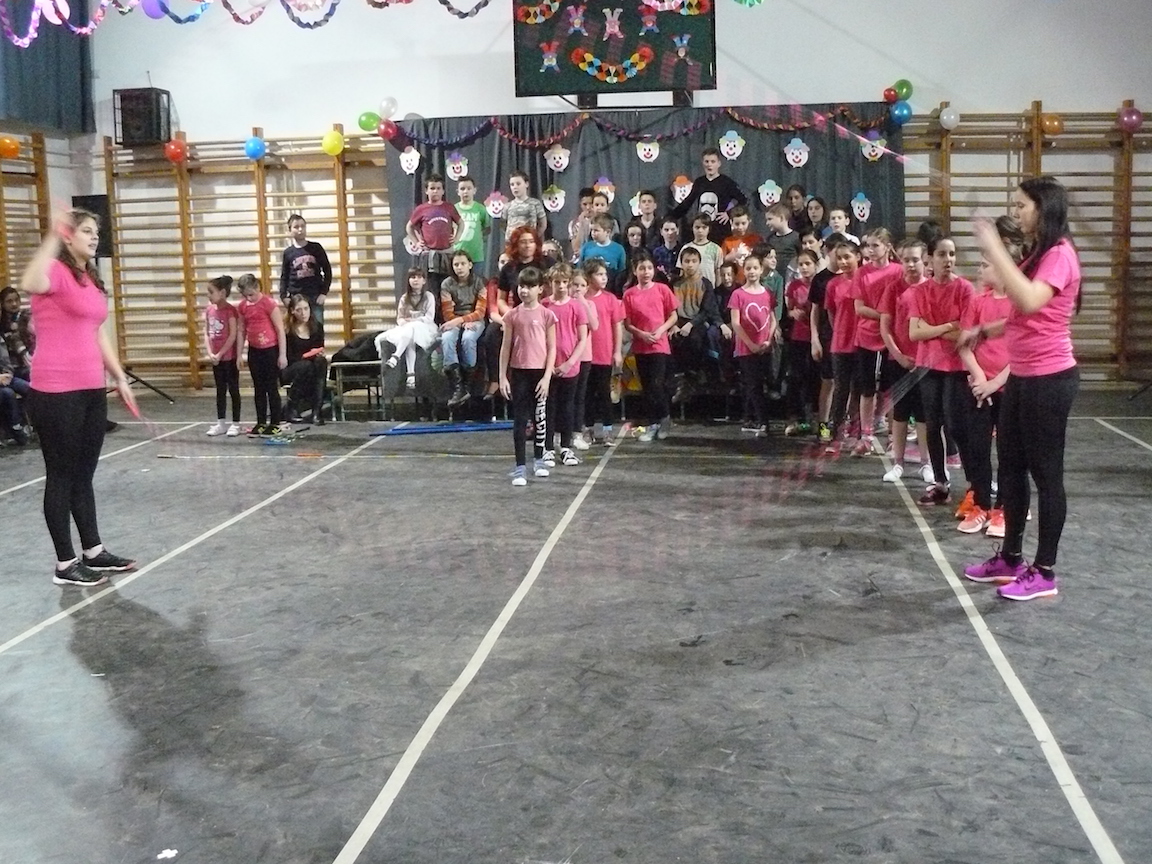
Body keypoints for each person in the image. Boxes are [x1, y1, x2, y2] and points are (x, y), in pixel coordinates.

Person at [962, 178, 1082, 600]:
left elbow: (1031, 299)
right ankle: (1010, 558)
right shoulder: (1038, 253)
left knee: (1046, 476)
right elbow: (1025, 312)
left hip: (1049, 380)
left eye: (1021, 206)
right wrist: (989, 329)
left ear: (1043, 209)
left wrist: (992, 244)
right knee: (1010, 469)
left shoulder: (1060, 254)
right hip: (1023, 378)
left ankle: (1044, 571)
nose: (1015, 213)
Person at [20, 208, 138, 586]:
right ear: (69, 236)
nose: (94, 237)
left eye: (95, 232)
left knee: (83, 475)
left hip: (90, 388)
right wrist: (53, 236)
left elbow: (97, 331)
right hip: (56, 391)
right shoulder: (54, 271)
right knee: (61, 475)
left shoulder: (89, 278)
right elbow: (28, 280)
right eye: (86, 231)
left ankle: (93, 551)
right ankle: (64, 564)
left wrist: (119, 377)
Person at [955, 234, 1018, 534]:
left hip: (1008, 387)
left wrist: (995, 383)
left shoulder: (1018, 304)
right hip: (980, 388)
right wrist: (980, 379)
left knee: (1009, 451)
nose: (980, 270)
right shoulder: (977, 301)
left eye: (985, 265)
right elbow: (964, 344)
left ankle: (1004, 508)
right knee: (977, 447)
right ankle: (980, 504)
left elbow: (1021, 351)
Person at [908, 235, 976, 506]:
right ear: (930, 259)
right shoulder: (920, 291)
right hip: (928, 365)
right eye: (942, 254)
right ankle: (940, 483)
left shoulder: (965, 289)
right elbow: (914, 333)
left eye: (952, 254)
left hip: (956, 367)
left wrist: (931, 330)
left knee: (956, 426)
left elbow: (965, 335)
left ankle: (973, 484)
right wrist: (948, 326)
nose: (948, 260)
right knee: (932, 424)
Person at [481, 228, 555, 397]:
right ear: (516, 244)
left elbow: (555, 291)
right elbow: (501, 300)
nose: (527, 245)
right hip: (518, 314)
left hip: (544, 313)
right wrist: (511, 317)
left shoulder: (547, 263)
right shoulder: (509, 268)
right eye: (523, 242)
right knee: (491, 334)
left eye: (531, 241)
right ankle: (496, 380)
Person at [499, 267, 556, 486]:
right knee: (521, 419)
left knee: (540, 418)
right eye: (522, 286)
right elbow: (505, 348)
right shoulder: (512, 315)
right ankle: (520, 466)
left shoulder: (547, 315)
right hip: (519, 372)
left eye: (530, 286)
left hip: (539, 373)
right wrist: (503, 377)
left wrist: (547, 377)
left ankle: (539, 459)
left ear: (540, 289)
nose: (525, 290)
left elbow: (552, 348)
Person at [879, 240, 930, 483]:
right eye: (906, 260)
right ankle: (898, 463)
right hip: (898, 361)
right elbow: (885, 327)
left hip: (926, 363)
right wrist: (898, 355)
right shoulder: (893, 288)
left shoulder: (931, 288)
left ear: (925, 260)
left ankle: (927, 463)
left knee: (925, 416)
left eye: (915, 259)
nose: (910, 264)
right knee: (899, 414)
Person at [851, 228, 902, 457]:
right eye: (868, 246)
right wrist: (883, 316)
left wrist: (889, 321)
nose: (870, 250)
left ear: (887, 247)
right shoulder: (861, 273)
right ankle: (866, 436)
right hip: (867, 336)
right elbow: (859, 308)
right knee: (867, 388)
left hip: (892, 337)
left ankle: (893, 436)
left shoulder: (899, 271)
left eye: (875, 245)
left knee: (890, 389)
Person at [622, 251, 679, 442]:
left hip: (659, 346)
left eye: (649, 268)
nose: (646, 272)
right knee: (646, 387)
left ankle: (665, 418)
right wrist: (641, 334)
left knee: (656, 384)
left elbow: (673, 316)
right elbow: (628, 324)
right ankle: (653, 423)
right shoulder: (629, 294)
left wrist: (661, 330)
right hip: (641, 346)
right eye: (641, 268)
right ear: (635, 271)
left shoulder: (662, 289)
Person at [542, 263, 589, 467]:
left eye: (564, 282)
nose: (561, 286)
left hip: (570, 367)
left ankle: (566, 447)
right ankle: (547, 447)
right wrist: (547, 364)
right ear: (550, 283)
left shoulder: (576, 306)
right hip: (548, 367)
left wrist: (569, 363)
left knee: (567, 407)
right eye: (557, 282)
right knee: (549, 407)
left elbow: (582, 338)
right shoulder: (544, 305)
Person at [728, 249, 777, 437]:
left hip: (764, 347)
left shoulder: (767, 293)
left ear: (761, 269)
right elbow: (736, 323)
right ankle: (763, 422)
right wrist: (750, 344)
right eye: (748, 268)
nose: (752, 271)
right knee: (753, 384)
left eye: (755, 268)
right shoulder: (738, 294)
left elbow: (772, 319)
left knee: (762, 384)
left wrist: (768, 340)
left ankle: (751, 418)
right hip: (746, 349)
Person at [823, 240, 864, 450]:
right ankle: (836, 434)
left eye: (847, 257)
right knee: (841, 389)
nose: (843, 262)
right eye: (839, 258)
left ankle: (858, 434)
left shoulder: (866, 280)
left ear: (858, 256)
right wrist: (840, 330)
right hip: (840, 344)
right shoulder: (833, 284)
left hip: (863, 343)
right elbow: (831, 312)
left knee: (860, 389)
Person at [669, 245, 722, 403]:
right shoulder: (675, 283)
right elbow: (669, 306)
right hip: (677, 320)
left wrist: (691, 324)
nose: (690, 265)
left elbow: (707, 310)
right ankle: (680, 379)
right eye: (687, 261)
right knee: (673, 339)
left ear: (699, 263)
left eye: (693, 261)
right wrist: (674, 324)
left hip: (697, 321)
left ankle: (693, 376)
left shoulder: (705, 283)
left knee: (695, 339)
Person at [237, 273, 287, 436]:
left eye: (251, 294)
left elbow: (280, 330)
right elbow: (242, 330)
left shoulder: (269, 304)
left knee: (271, 387)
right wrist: (239, 354)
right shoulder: (243, 307)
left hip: (270, 350)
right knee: (258, 388)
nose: (249, 298)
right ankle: (260, 421)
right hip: (255, 351)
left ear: (258, 287)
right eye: (246, 296)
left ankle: (275, 422)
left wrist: (282, 354)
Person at [667, 146, 748, 244]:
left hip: (720, 230)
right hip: (702, 230)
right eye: (707, 161)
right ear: (703, 163)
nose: (709, 165)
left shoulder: (727, 182)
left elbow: (743, 200)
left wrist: (729, 213)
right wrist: (670, 217)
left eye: (713, 161)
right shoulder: (699, 182)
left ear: (719, 163)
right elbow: (687, 203)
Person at [439, 250, 488, 408]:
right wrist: (459, 322)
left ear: (470, 265)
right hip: (454, 319)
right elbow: (447, 312)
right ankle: (458, 386)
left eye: (462, 264)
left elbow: (480, 312)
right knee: (447, 338)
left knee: (468, 338)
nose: (459, 267)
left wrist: (464, 320)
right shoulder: (446, 284)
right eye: (456, 265)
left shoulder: (479, 282)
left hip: (474, 319)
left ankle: (467, 384)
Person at [377, 267, 438, 391]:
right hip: (408, 330)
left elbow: (429, 317)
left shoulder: (429, 296)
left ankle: (396, 356)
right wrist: (405, 322)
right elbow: (400, 318)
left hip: (426, 328)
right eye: (413, 277)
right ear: (408, 280)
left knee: (412, 328)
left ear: (424, 281)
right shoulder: (404, 298)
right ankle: (411, 375)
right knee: (410, 335)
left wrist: (413, 321)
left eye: (419, 277)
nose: (416, 280)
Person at [583, 259, 624, 445]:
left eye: (605, 274)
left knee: (604, 392)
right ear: (589, 277)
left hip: (604, 354)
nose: (604, 278)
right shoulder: (582, 299)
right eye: (599, 274)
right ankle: (588, 429)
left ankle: (608, 430)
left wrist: (617, 351)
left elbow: (617, 326)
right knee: (587, 394)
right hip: (585, 354)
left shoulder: (610, 299)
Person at [808, 232, 842, 443]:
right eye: (836, 253)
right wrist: (814, 338)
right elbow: (815, 311)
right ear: (827, 252)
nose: (840, 258)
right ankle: (823, 424)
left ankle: (843, 424)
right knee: (827, 381)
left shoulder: (852, 276)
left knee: (846, 383)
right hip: (828, 335)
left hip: (848, 336)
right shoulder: (820, 279)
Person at [406, 173, 461, 300]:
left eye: (438, 188)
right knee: (431, 288)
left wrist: (457, 238)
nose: (435, 191)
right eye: (432, 188)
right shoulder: (421, 209)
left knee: (448, 287)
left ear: (443, 191)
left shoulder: (449, 207)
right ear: (426, 190)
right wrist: (417, 242)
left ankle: (447, 311)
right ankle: (433, 311)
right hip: (429, 254)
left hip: (447, 253)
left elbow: (461, 223)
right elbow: (409, 227)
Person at [783, 248, 817, 436]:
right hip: (798, 338)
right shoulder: (794, 286)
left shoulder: (820, 284)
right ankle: (794, 418)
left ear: (815, 265)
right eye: (801, 264)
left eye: (807, 264)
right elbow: (788, 310)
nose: (804, 268)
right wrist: (793, 313)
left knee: (815, 378)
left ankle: (815, 419)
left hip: (816, 338)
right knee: (796, 377)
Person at [203, 275, 241, 437]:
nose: (208, 295)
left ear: (223, 293)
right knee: (220, 390)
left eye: (211, 292)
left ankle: (236, 423)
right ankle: (221, 423)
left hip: (229, 358)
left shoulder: (230, 311)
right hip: (216, 359)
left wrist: (220, 353)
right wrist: (210, 353)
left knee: (233, 390)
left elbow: (232, 335)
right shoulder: (209, 310)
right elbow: (206, 332)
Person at [281, 294, 328, 424]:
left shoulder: (317, 326)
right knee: (305, 365)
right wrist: (305, 356)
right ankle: (292, 408)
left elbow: (319, 346)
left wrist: (318, 354)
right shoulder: (287, 330)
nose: (303, 313)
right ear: (292, 311)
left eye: (306, 309)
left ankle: (317, 411)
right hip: (291, 367)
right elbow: (288, 356)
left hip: (311, 366)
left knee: (321, 362)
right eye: (299, 310)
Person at [279, 214, 333, 323]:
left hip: (314, 297)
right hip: (296, 297)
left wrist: (323, 293)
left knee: (317, 328)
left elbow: (327, 271)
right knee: (297, 329)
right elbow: (284, 276)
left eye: (303, 226)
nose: (300, 229)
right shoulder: (288, 253)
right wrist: (284, 296)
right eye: (296, 227)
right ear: (290, 230)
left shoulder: (316, 248)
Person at [568, 268, 597, 450]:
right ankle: (563, 433)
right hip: (566, 356)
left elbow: (594, 325)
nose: (578, 288)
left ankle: (577, 433)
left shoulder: (589, 304)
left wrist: (583, 303)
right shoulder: (565, 303)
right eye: (575, 284)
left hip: (584, 356)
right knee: (567, 397)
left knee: (579, 396)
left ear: (587, 288)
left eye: (582, 285)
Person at [453, 176, 491, 273]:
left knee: (476, 281)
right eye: (462, 189)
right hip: (458, 255)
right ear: (457, 192)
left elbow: (486, 228)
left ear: (474, 190)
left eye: (469, 188)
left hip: (476, 256)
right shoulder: (453, 209)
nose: (465, 191)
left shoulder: (481, 209)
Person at [579, 214, 627, 283]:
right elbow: (580, 269)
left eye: (596, 230)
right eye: (591, 230)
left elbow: (621, 273)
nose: (593, 233)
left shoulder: (618, 249)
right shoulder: (587, 247)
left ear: (608, 232)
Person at [719, 206, 761, 284]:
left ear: (749, 221)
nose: (740, 227)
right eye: (737, 224)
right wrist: (730, 257)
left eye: (743, 223)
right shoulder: (728, 241)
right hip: (736, 281)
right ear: (731, 222)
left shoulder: (757, 239)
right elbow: (720, 261)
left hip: (754, 280)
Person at [676, 215, 721, 287]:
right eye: (697, 227)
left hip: (709, 288)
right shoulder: (686, 248)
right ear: (692, 228)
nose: (700, 231)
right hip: (689, 288)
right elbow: (682, 271)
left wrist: (718, 289)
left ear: (709, 229)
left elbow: (718, 271)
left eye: (704, 227)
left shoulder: (716, 248)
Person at [504, 169, 548, 240]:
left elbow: (543, 224)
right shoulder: (507, 206)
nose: (515, 187)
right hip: (511, 243)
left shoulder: (535, 203)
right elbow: (503, 224)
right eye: (512, 184)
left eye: (518, 184)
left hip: (528, 242)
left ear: (526, 184)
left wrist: (533, 238)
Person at [1, 285, 33, 380]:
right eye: (9, 301)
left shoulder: (26, 317)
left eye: (16, 300)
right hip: (12, 367)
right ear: (2, 304)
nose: (14, 304)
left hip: (28, 361)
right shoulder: (2, 323)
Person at [764, 203, 801, 284]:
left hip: (791, 280)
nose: (767, 223)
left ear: (781, 218)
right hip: (774, 281)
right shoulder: (769, 239)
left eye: (770, 219)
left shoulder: (796, 238)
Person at [568, 187, 595, 263]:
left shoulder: (602, 221)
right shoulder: (573, 223)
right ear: (580, 204)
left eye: (591, 203)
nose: (588, 207)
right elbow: (575, 248)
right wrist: (582, 224)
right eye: (585, 204)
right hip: (580, 260)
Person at [651, 217, 681, 284]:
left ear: (678, 231)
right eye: (666, 230)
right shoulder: (656, 252)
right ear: (661, 232)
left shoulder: (683, 250)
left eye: (673, 229)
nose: (670, 233)